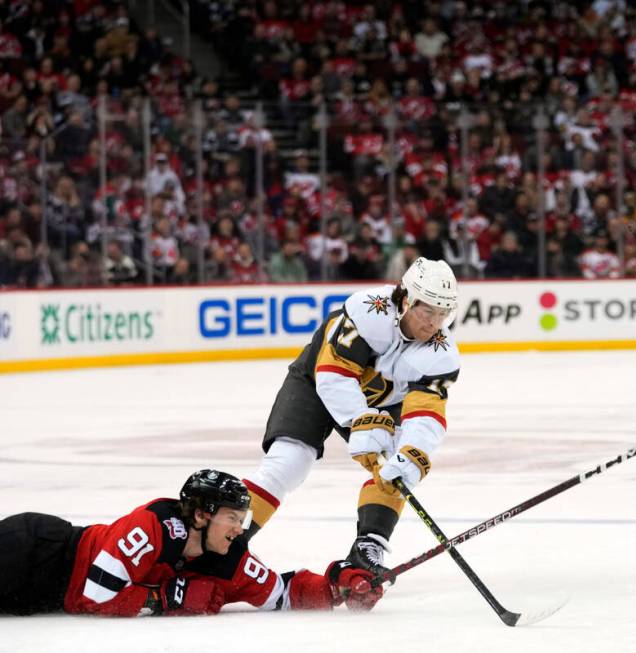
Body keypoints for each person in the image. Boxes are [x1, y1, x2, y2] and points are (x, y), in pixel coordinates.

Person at [243, 257, 460, 585]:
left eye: (443, 314)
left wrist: (413, 453)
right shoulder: (368, 311)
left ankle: (368, 547)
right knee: (290, 461)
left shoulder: (440, 352)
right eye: (427, 311)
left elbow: (426, 413)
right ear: (405, 300)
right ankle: (226, 541)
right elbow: (335, 376)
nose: (434, 323)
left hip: (383, 405)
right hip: (315, 383)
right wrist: (362, 422)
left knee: (394, 468)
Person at [0, 469, 381, 616]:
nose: (239, 529)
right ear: (201, 515)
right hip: (36, 551)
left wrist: (340, 585)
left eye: (242, 519)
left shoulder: (227, 556)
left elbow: (284, 591)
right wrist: (166, 598)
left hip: (38, 596)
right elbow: (93, 597)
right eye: (232, 518)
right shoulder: (152, 526)